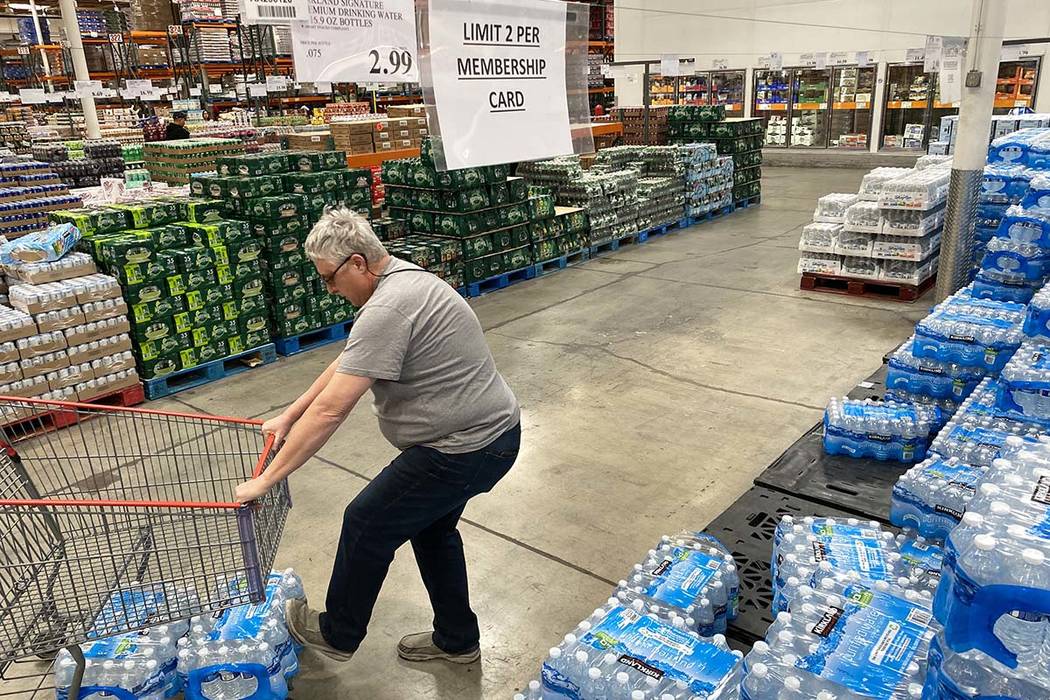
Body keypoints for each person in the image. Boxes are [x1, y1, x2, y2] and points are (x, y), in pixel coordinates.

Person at [234, 208, 520, 666]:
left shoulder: (389, 307)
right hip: (488, 435)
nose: (329, 289)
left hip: (466, 447)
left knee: (367, 521)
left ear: (358, 264)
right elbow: (349, 359)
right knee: (431, 531)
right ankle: (457, 639)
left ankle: (338, 633)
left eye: (330, 278)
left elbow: (332, 411)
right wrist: (289, 415)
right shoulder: (400, 279)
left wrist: (266, 480)